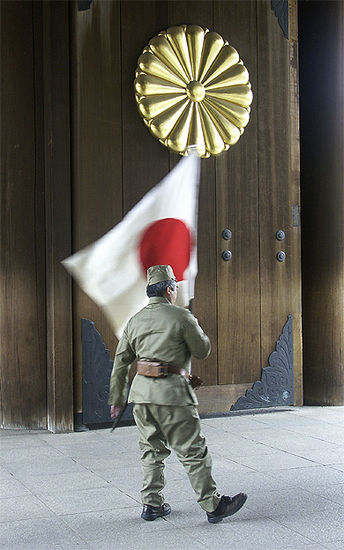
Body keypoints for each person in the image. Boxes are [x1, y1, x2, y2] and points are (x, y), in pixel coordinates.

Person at [108, 264, 247, 523]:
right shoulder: (181, 316)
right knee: (193, 450)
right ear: (170, 289)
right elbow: (202, 349)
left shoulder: (135, 320)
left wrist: (117, 398)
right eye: (176, 287)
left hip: (142, 397)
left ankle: (152, 504)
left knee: (151, 450)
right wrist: (194, 325)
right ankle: (212, 505)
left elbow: (121, 361)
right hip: (172, 396)